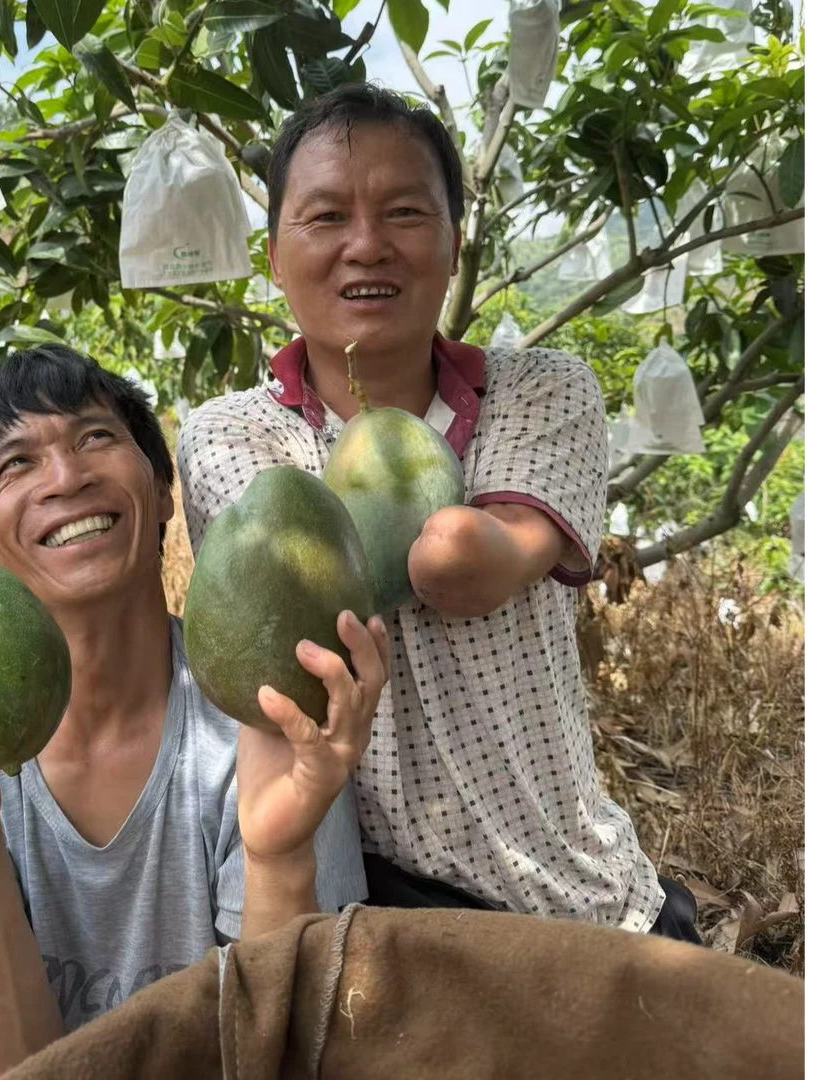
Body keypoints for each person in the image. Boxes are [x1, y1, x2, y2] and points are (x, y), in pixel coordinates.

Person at [177, 83, 699, 942]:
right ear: (272, 254)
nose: (367, 246)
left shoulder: (540, 390)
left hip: (578, 897)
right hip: (381, 916)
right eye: (326, 216)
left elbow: (463, 564)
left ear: (455, 244)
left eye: (405, 213)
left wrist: (431, 525)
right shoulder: (232, 437)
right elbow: (273, 633)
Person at [0, 345, 389, 1080]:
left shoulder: (263, 721)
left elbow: (282, 1059)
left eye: (96, 437)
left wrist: (278, 855)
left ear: (162, 492)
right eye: (16, 464)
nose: (67, 477)